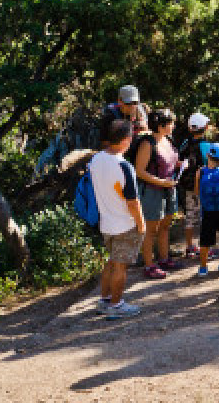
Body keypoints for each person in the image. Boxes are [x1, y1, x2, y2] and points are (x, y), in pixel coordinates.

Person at [88, 120, 145, 318]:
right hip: (124, 224)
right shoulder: (124, 166)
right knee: (120, 266)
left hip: (106, 223)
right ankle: (116, 304)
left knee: (111, 263)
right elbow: (133, 201)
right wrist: (141, 224)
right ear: (125, 140)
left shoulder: (96, 160)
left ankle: (104, 300)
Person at [134, 108, 183, 278]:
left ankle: (164, 258)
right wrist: (161, 182)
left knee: (165, 226)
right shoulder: (147, 143)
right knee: (150, 230)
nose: (174, 126)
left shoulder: (168, 140)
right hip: (152, 192)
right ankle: (149, 265)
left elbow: (170, 161)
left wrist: (179, 166)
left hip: (169, 188)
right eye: (171, 123)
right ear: (161, 126)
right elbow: (139, 171)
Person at [195, 142, 219, 277]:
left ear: (207, 155)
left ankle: (203, 268)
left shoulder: (200, 172)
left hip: (207, 211)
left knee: (205, 240)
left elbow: (196, 190)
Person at [178, 112, 212, 258]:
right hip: (203, 186)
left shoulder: (185, 143)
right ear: (205, 127)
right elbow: (209, 164)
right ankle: (205, 248)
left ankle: (190, 246)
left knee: (190, 216)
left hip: (188, 186)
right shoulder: (206, 145)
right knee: (205, 217)